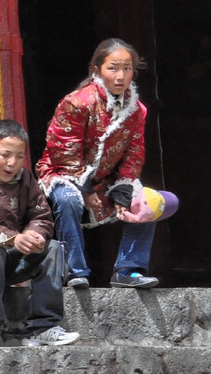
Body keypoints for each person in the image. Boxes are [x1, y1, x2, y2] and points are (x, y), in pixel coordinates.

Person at [37, 38, 157, 289]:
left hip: (107, 180)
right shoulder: (78, 102)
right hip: (64, 174)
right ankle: (75, 271)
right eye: (113, 68)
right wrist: (85, 188)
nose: (120, 75)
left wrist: (123, 190)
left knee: (148, 200)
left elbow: (134, 152)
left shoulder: (137, 110)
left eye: (126, 68)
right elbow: (63, 150)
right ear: (97, 70)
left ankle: (128, 269)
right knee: (68, 198)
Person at [0, 120, 78, 348]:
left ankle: (44, 326)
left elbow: (41, 216)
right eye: (5, 155)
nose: (12, 163)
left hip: (12, 260)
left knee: (53, 248)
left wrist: (34, 235)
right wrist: (14, 238)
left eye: (19, 156)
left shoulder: (26, 180)